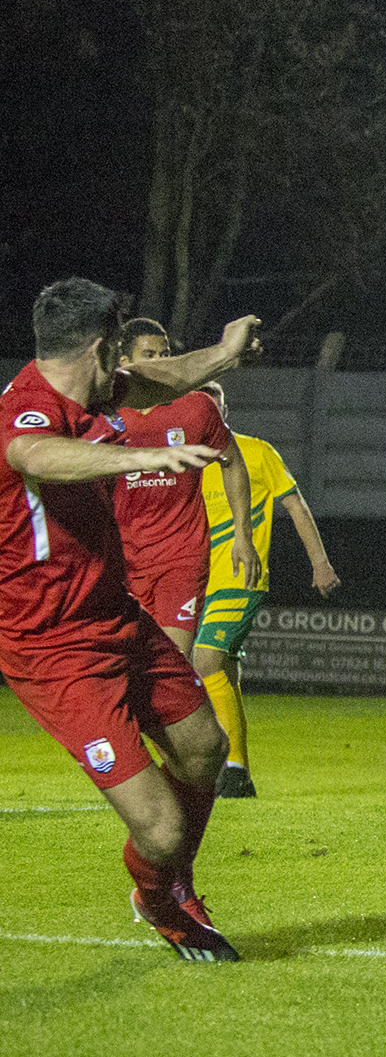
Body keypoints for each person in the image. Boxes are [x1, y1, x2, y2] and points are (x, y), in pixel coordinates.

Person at [1, 277, 261, 961]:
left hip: (117, 615)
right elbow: (36, 456)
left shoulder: (95, 389)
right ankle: (158, 897)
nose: (123, 364)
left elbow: (168, 376)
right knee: (163, 829)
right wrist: (140, 455)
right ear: (99, 345)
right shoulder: (26, 410)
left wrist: (226, 352)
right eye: (117, 348)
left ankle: (174, 887)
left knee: (206, 748)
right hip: (54, 650)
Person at [191, 381, 343, 798]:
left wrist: (320, 562)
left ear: (225, 408)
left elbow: (295, 505)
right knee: (223, 673)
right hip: (198, 582)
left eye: (214, 405)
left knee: (204, 662)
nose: (209, 412)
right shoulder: (188, 460)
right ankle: (236, 772)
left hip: (242, 578)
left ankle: (226, 766)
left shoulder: (257, 452)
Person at [111, 319, 261, 663]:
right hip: (122, 559)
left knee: (171, 666)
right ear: (122, 362)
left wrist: (243, 536)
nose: (161, 362)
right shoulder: (106, 414)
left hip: (181, 558)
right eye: (149, 355)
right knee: (123, 667)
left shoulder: (195, 407)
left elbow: (232, 463)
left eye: (165, 354)